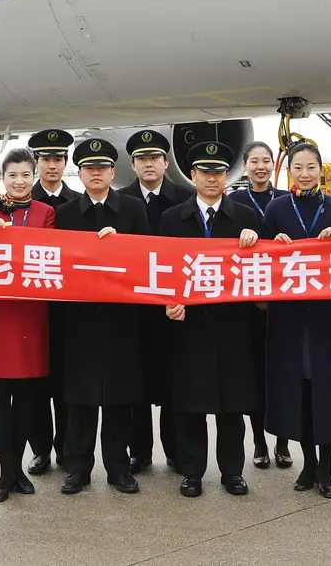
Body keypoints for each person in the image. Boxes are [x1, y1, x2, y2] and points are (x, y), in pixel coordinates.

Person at [160, 142, 262, 498]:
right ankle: (192, 472)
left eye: (218, 173)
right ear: (193, 176)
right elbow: (161, 270)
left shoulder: (246, 218)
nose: (212, 179)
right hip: (189, 327)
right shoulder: (172, 219)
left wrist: (257, 240)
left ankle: (232, 472)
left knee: (231, 407)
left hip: (232, 326)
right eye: (205, 173)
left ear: (226, 176)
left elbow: (262, 270)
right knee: (191, 405)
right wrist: (167, 304)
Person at [52, 138, 150, 495]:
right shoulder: (64, 214)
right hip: (79, 320)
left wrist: (120, 241)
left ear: (113, 172)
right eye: (89, 168)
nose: (96, 173)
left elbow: (147, 258)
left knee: (118, 400)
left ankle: (118, 468)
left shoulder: (133, 209)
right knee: (79, 400)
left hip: (122, 320)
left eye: (103, 167)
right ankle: (77, 468)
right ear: (79, 174)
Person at [260, 141, 331, 499]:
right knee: (297, 390)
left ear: (321, 169)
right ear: (290, 172)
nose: (304, 174)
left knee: (326, 390)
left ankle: (327, 469)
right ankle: (307, 464)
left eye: (311, 167)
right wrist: (274, 243)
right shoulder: (276, 208)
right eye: (298, 168)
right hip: (288, 317)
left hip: (326, 317)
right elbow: (261, 258)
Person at [0, 149, 55, 502]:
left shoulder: (45, 212)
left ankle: (17, 468)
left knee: (28, 399)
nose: (19, 181)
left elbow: (48, 254)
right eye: (12, 175)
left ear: (33, 176)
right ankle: (7, 471)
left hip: (30, 314)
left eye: (24, 175)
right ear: (2, 177)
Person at [126, 129, 190, 473]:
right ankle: (139, 451)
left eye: (155, 158)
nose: (149, 164)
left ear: (166, 163)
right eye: (141, 159)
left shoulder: (186, 198)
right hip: (133, 309)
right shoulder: (119, 199)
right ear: (133, 165)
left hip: (172, 308)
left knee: (171, 383)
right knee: (136, 381)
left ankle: (176, 451)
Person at [227, 141, 293, 470]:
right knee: (254, 375)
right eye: (254, 161)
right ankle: (259, 441)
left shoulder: (285, 200)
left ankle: (282, 440)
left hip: (281, 302)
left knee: (280, 373)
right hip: (249, 304)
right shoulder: (235, 201)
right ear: (244, 165)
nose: (261, 166)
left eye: (266, 161)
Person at [26, 128, 78, 476]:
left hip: (67, 310)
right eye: (46, 159)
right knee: (35, 385)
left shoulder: (77, 204)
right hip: (31, 309)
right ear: (37, 163)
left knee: (66, 383)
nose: (52, 166)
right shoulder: (17, 203)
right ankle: (41, 449)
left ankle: (68, 448)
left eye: (58, 159)